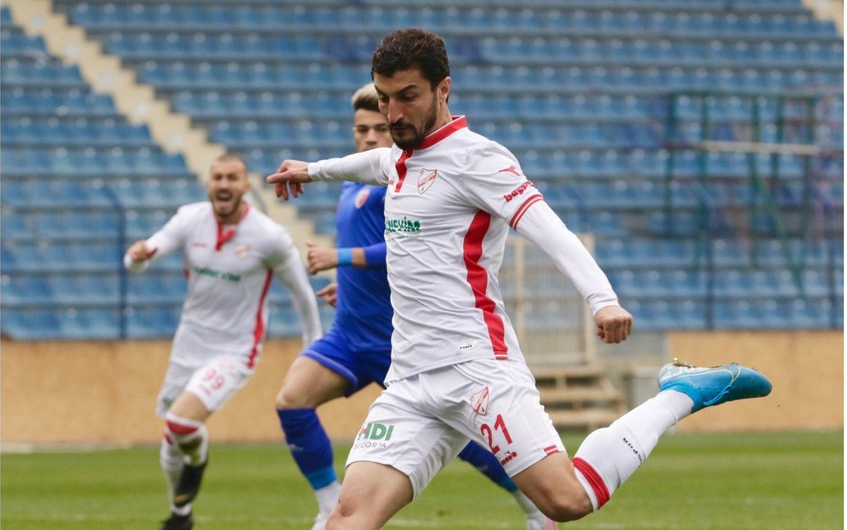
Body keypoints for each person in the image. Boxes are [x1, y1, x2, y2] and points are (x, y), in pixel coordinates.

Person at [267, 28, 772, 530]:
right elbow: (372, 162)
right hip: (410, 382)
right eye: (384, 98)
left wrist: (602, 299)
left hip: (478, 371)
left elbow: (549, 229)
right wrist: (311, 170)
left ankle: (679, 393)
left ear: (444, 89)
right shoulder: (398, 159)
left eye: (407, 97)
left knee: (567, 501)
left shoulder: (479, 160)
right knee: (347, 521)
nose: (393, 114)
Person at [274, 83, 558, 530]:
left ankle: (534, 504)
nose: (368, 137)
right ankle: (328, 506)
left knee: (459, 436)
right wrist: (346, 286)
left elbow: (404, 251)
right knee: (292, 400)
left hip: (399, 340)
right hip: (350, 332)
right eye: (360, 129)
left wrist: (339, 259)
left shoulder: (406, 181)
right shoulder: (352, 185)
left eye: (377, 127)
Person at [125, 154, 323, 530]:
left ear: (246, 186)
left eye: (233, 177)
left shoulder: (269, 237)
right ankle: (180, 514)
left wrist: (312, 347)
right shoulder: (189, 219)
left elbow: (302, 295)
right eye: (218, 177)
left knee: (181, 423)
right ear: (208, 184)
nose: (224, 184)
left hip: (234, 351)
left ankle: (198, 461)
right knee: (170, 440)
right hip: (188, 345)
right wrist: (136, 258)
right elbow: (140, 258)